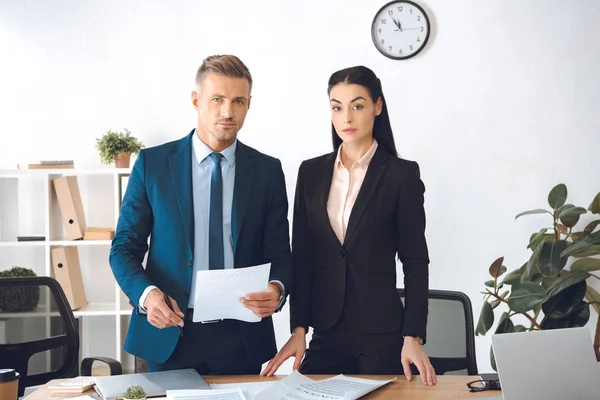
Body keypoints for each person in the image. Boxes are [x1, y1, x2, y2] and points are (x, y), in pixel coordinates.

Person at [109, 54, 293, 375]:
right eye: (217, 99)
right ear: (196, 100)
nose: (227, 111)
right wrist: (148, 295)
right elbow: (124, 248)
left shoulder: (267, 171)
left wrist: (276, 289)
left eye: (238, 101)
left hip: (242, 336)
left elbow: (280, 252)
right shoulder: (154, 164)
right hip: (170, 329)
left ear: (249, 104)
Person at [262, 65, 437, 385]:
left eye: (357, 105)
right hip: (325, 334)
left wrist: (413, 335)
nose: (347, 118)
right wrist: (298, 329)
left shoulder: (401, 175)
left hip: (383, 337)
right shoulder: (311, 173)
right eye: (337, 107)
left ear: (377, 106)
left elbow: (415, 260)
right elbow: (302, 257)